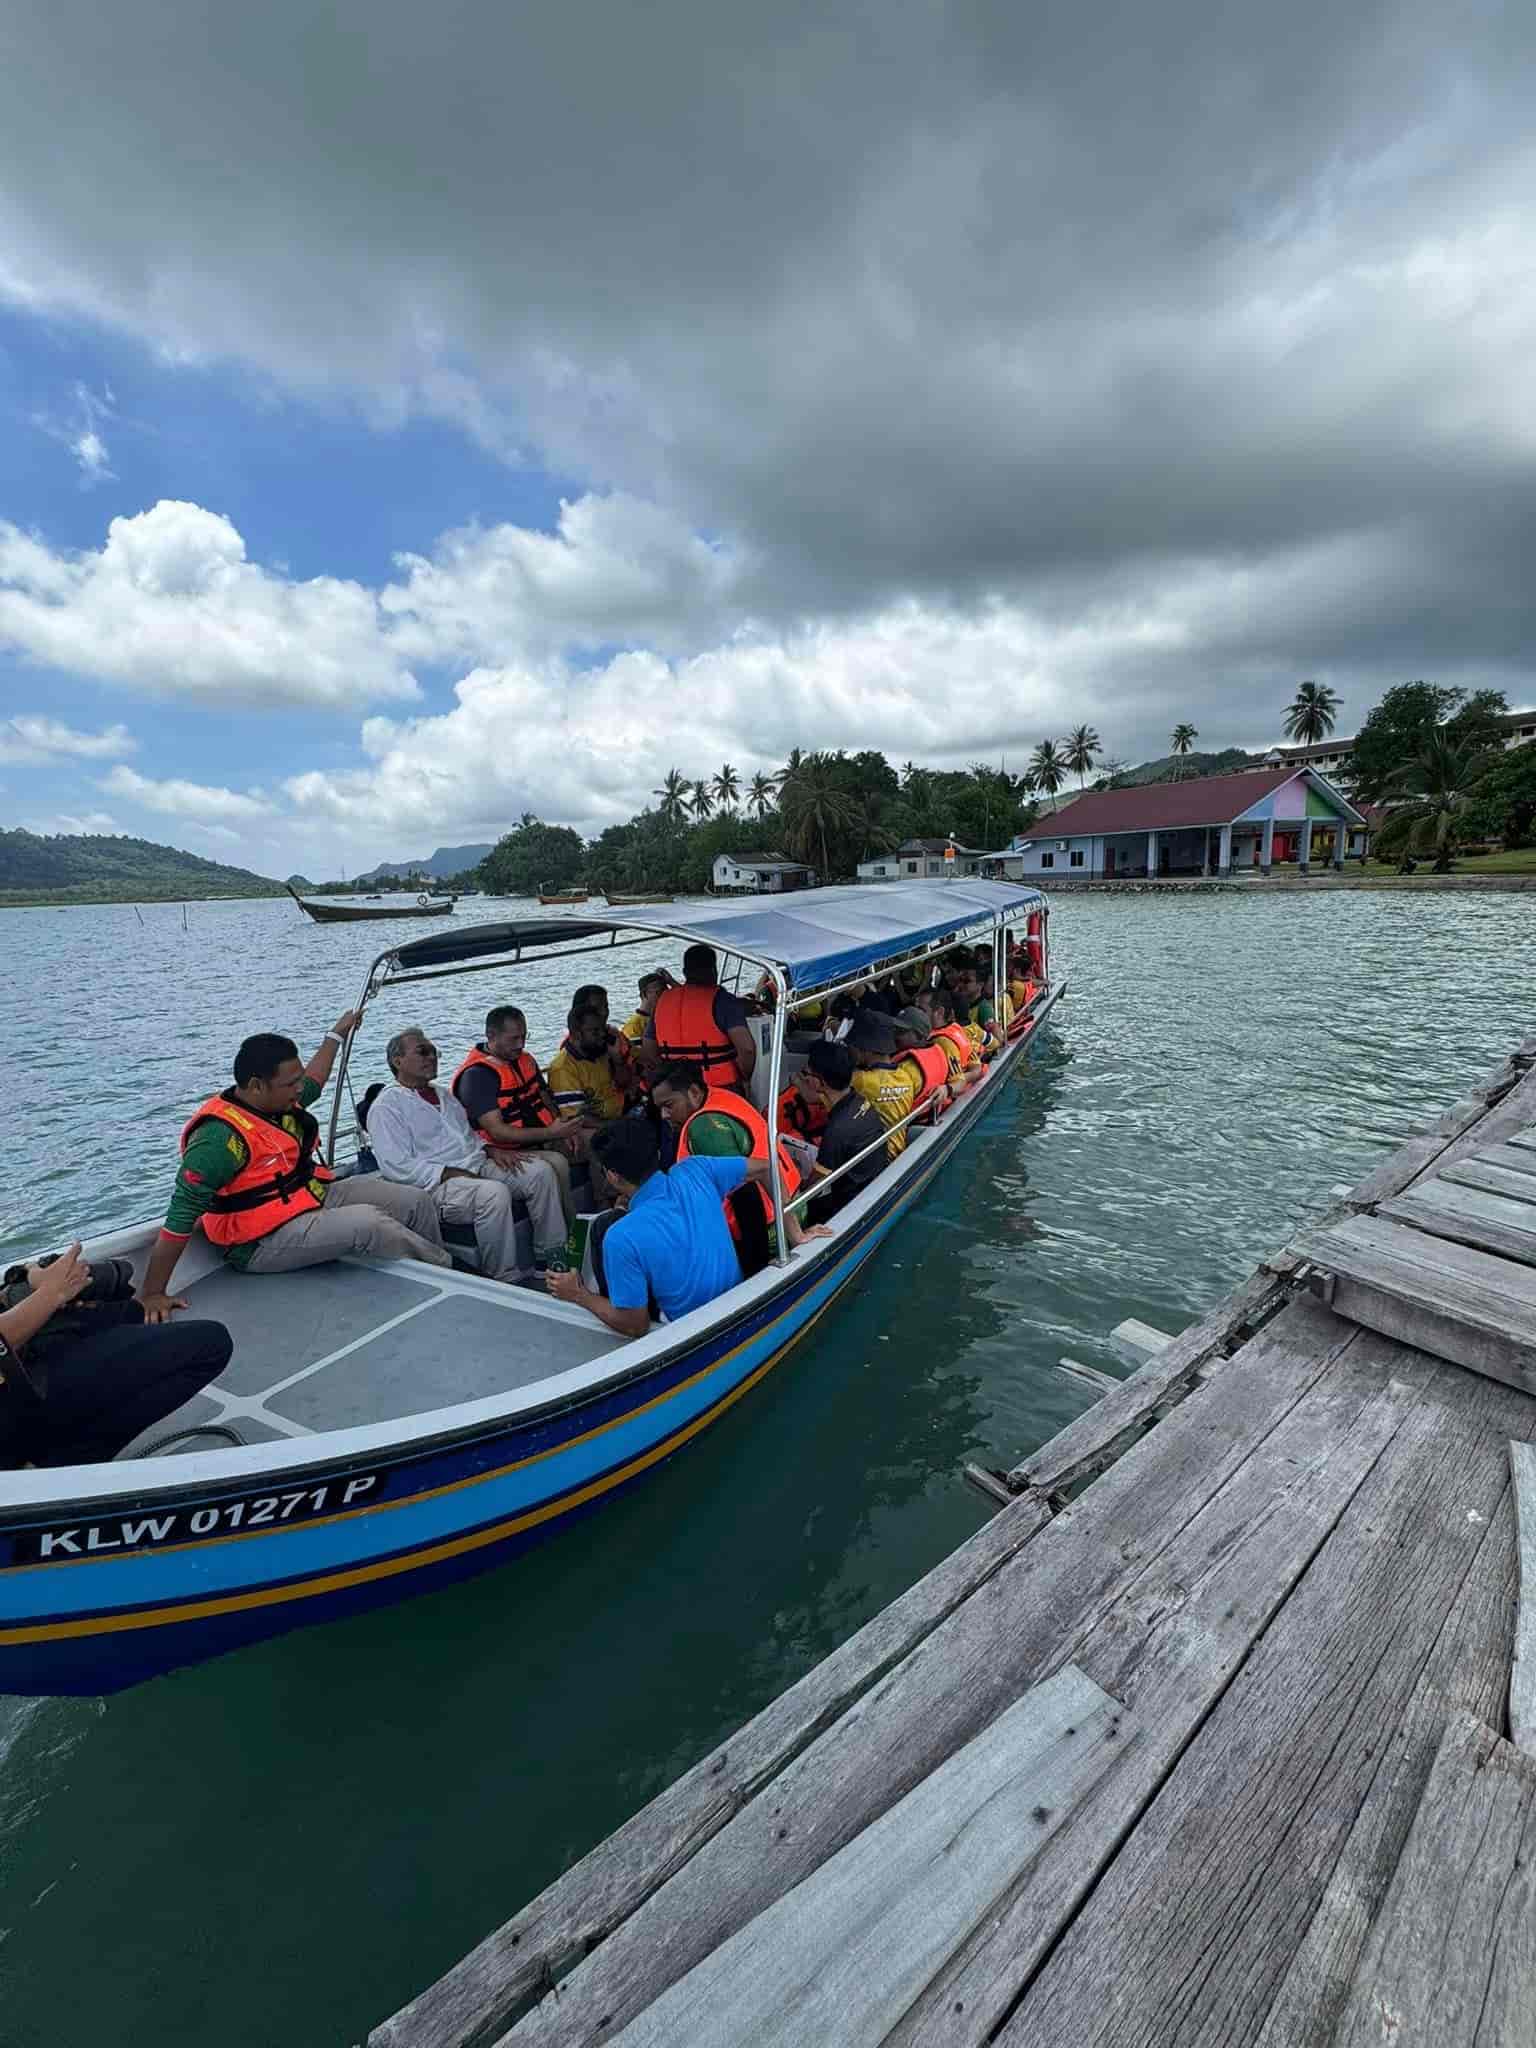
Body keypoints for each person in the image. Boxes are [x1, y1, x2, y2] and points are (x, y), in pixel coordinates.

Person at [139, 1020, 451, 1320]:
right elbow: (180, 1218)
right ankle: (452, 1274)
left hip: (307, 1196)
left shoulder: (278, 1099)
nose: (300, 1089)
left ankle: (441, 1273)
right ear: (257, 1086)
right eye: (291, 1084)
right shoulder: (217, 1141)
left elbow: (316, 1078)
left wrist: (336, 1034)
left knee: (415, 1200)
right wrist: (153, 1293)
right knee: (370, 1223)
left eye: (297, 1079)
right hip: (260, 1242)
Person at [544, 1122, 827, 1336]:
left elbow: (635, 1325)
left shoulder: (621, 1236)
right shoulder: (696, 1169)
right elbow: (768, 1168)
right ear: (655, 1153)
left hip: (693, 1330)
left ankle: (609, 1294)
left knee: (604, 1226)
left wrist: (579, 1294)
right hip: (738, 1301)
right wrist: (796, 1235)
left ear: (613, 1176)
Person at [2, 1242, 233, 1467]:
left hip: (21, 1358)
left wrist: (30, 1275)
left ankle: (59, 1449)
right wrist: (52, 1293)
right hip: (16, 1396)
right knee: (211, 1344)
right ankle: (62, 1463)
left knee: (130, 1310)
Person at [366, 1028, 567, 1283]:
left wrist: (491, 1150)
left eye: (434, 1052)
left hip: (476, 1165)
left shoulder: (444, 1096)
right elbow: (397, 1166)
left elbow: (468, 1138)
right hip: (436, 1186)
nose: (432, 1057)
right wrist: (447, 1173)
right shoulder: (387, 1107)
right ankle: (505, 1279)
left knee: (539, 1173)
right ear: (398, 1061)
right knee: (493, 1194)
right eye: (422, 1052)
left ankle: (550, 1259)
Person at [651, 1061, 804, 1276]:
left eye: (669, 1105)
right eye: (660, 1108)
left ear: (694, 1092)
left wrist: (754, 1271)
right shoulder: (719, 1097)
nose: (664, 1116)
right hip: (792, 1202)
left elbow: (745, 1196)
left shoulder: (705, 1129)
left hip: (769, 1226)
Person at [451, 1005, 587, 1220]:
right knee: (556, 1164)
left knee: (600, 1141)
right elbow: (498, 1132)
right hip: (504, 1152)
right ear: (491, 1036)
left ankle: (609, 1206)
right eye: (514, 1038)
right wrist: (553, 1134)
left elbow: (545, 1098)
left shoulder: (526, 1060)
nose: (521, 1044)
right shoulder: (477, 1076)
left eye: (524, 1036)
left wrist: (566, 1129)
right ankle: (569, 1231)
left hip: (546, 1137)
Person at [796, 1041, 888, 1223]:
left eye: (806, 1074)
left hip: (850, 1203)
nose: (805, 1079)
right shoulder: (861, 1101)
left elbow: (815, 1183)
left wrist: (796, 1192)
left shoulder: (837, 1131)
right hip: (873, 1182)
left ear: (820, 1082)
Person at [650, 944, 756, 1091]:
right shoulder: (724, 1000)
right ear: (713, 970)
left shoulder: (662, 1001)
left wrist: (668, 1075)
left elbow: (648, 1047)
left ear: (685, 972)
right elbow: (747, 1049)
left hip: (677, 1091)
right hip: (720, 1088)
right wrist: (745, 1078)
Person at [845, 1012, 920, 1157]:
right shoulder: (906, 1076)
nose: (850, 1050)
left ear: (865, 1050)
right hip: (899, 1152)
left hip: (878, 1160)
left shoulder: (861, 1080)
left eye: (853, 1046)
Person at [549, 1004, 633, 1121]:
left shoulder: (600, 1052)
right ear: (577, 1034)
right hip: (595, 1129)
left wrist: (617, 1060)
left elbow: (626, 1083)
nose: (602, 1034)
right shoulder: (563, 1068)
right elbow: (577, 1120)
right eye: (595, 1031)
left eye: (602, 1029)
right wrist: (616, 1127)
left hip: (621, 1114)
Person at [892, 1007, 953, 1115]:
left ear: (918, 1035)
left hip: (915, 1123)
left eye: (901, 1031)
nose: (895, 1034)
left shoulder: (905, 1069)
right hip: (933, 1115)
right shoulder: (938, 1051)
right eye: (894, 1029)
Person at [919, 988, 981, 1092]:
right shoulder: (955, 1029)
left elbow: (958, 1081)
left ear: (939, 1012)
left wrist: (948, 1089)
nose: (917, 1014)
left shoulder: (941, 1042)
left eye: (922, 1010)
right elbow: (977, 1068)